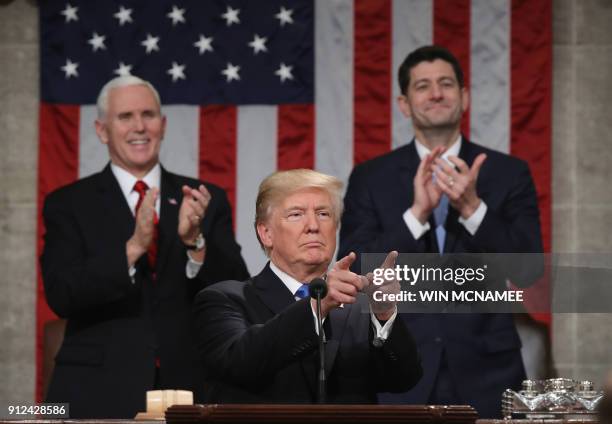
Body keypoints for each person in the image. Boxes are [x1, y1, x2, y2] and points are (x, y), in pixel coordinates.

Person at [338, 45, 543, 417]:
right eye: (423, 86)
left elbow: (529, 269)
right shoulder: (371, 177)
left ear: (464, 97)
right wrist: (416, 215)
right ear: (404, 104)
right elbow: (355, 271)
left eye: (446, 84)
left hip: (488, 372)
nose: (436, 93)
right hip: (398, 370)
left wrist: (472, 208)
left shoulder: (508, 173)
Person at [41, 76, 249, 418]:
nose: (139, 126)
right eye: (125, 117)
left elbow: (236, 293)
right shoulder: (68, 204)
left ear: (163, 125)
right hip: (97, 388)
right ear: (101, 130)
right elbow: (62, 295)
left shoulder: (201, 198)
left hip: (189, 385)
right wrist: (133, 248)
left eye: (148, 115)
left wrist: (194, 243)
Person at [193, 169, 422, 403]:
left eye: (323, 214)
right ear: (266, 233)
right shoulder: (224, 299)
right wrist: (317, 307)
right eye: (296, 214)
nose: (313, 225)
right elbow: (240, 364)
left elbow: (404, 379)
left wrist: (384, 314)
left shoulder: (362, 308)